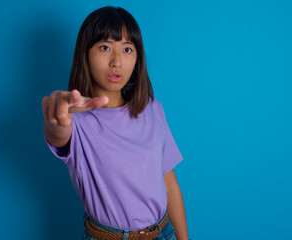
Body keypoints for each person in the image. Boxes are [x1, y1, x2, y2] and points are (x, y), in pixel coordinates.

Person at [42, 6, 189, 240]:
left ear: (137, 58)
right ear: (85, 54)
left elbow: (169, 183)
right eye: (105, 47)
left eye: (127, 49)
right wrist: (56, 118)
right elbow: (58, 132)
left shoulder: (153, 109)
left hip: (164, 233)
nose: (117, 61)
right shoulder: (75, 122)